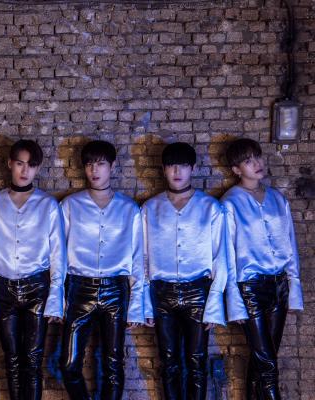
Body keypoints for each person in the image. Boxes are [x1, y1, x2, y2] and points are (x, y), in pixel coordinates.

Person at [0, 139, 67, 400]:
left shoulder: (48, 205)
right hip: (3, 288)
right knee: (12, 359)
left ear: (37, 168)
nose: (25, 170)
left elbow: (58, 255)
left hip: (38, 288)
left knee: (33, 360)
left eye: (31, 165)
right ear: (9, 164)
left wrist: (56, 299)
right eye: (20, 163)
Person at [59, 140, 144, 400]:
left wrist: (137, 304)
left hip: (116, 290)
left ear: (112, 166)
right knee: (68, 364)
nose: (94, 170)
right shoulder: (70, 205)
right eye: (89, 164)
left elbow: (138, 257)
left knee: (113, 364)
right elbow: (58, 254)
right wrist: (58, 297)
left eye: (100, 164)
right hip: (78, 288)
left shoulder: (129, 209)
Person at [143, 142, 226, 400]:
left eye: (183, 165)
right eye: (171, 166)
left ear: (193, 168)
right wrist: (144, 303)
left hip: (198, 292)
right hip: (162, 293)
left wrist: (214, 303)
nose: (177, 171)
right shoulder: (150, 208)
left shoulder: (210, 207)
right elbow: (142, 258)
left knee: (197, 360)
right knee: (168, 361)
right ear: (163, 169)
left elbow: (220, 257)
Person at [222, 138, 303, 400]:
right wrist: (234, 301)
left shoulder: (278, 199)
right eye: (248, 161)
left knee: (264, 359)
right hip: (250, 289)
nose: (257, 163)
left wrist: (293, 288)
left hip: (279, 285)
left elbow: (290, 244)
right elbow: (227, 255)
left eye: (257, 157)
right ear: (236, 169)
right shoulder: (230, 203)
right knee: (267, 363)